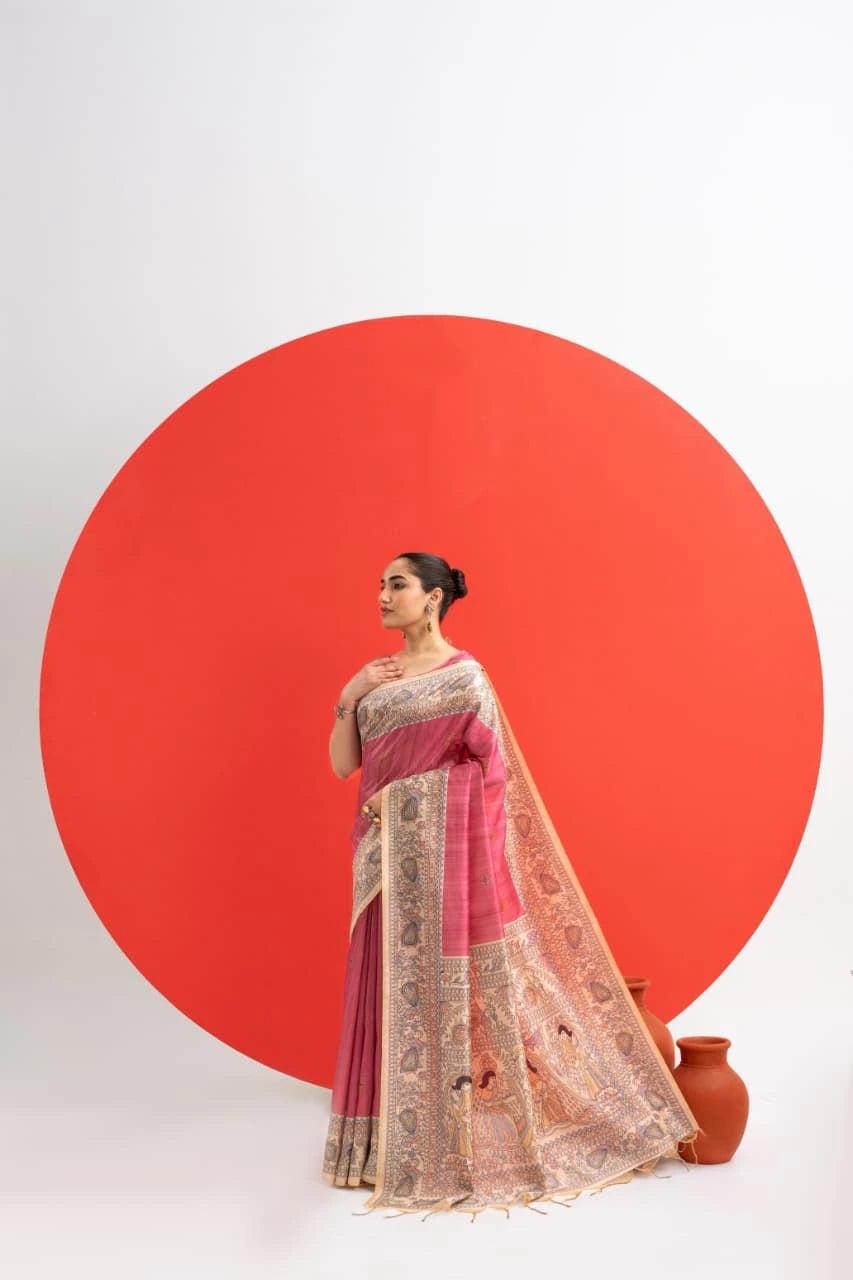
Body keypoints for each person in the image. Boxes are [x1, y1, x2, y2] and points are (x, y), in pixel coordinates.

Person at [323, 552, 697, 1216]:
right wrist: (350, 694)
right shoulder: (376, 679)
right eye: (379, 584)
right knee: (379, 991)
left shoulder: (465, 680)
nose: (381, 595)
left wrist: (414, 808)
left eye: (396, 584)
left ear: (432, 597)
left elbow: (489, 781)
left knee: (444, 998)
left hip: (436, 864)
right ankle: (376, 1145)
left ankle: (444, 1134)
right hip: (381, 861)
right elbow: (343, 765)